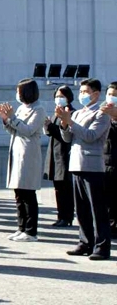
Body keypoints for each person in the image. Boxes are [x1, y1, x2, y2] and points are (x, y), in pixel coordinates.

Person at [58, 78, 111, 260]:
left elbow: (91, 136)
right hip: (77, 163)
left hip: (93, 165)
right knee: (81, 208)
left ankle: (102, 246)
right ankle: (85, 242)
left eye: (85, 92)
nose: (82, 95)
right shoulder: (79, 113)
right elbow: (67, 138)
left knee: (97, 208)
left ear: (96, 94)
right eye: (81, 92)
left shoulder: (102, 113)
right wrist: (64, 124)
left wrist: (70, 123)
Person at [0, 79, 46, 242]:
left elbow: (28, 130)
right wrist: (6, 120)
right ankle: (21, 227)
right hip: (16, 151)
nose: (17, 95)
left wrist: (12, 118)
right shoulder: (20, 108)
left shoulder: (38, 110)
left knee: (28, 193)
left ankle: (31, 231)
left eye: (19, 91)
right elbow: (14, 130)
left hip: (28, 153)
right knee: (18, 193)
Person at [43, 85, 75, 227]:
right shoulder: (56, 113)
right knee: (58, 188)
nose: (59, 99)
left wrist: (50, 126)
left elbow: (65, 134)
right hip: (54, 153)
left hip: (65, 154)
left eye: (62, 96)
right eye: (57, 96)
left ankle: (67, 216)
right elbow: (51, 132)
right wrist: (47, 126)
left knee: (66, 188)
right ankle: (60, 215)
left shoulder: (71, 113)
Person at [100, 83, 117, 237]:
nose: (112, 97)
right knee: (106, 200)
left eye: (115, 94)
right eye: (110, 94)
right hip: (104, 162)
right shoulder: (101, 112)